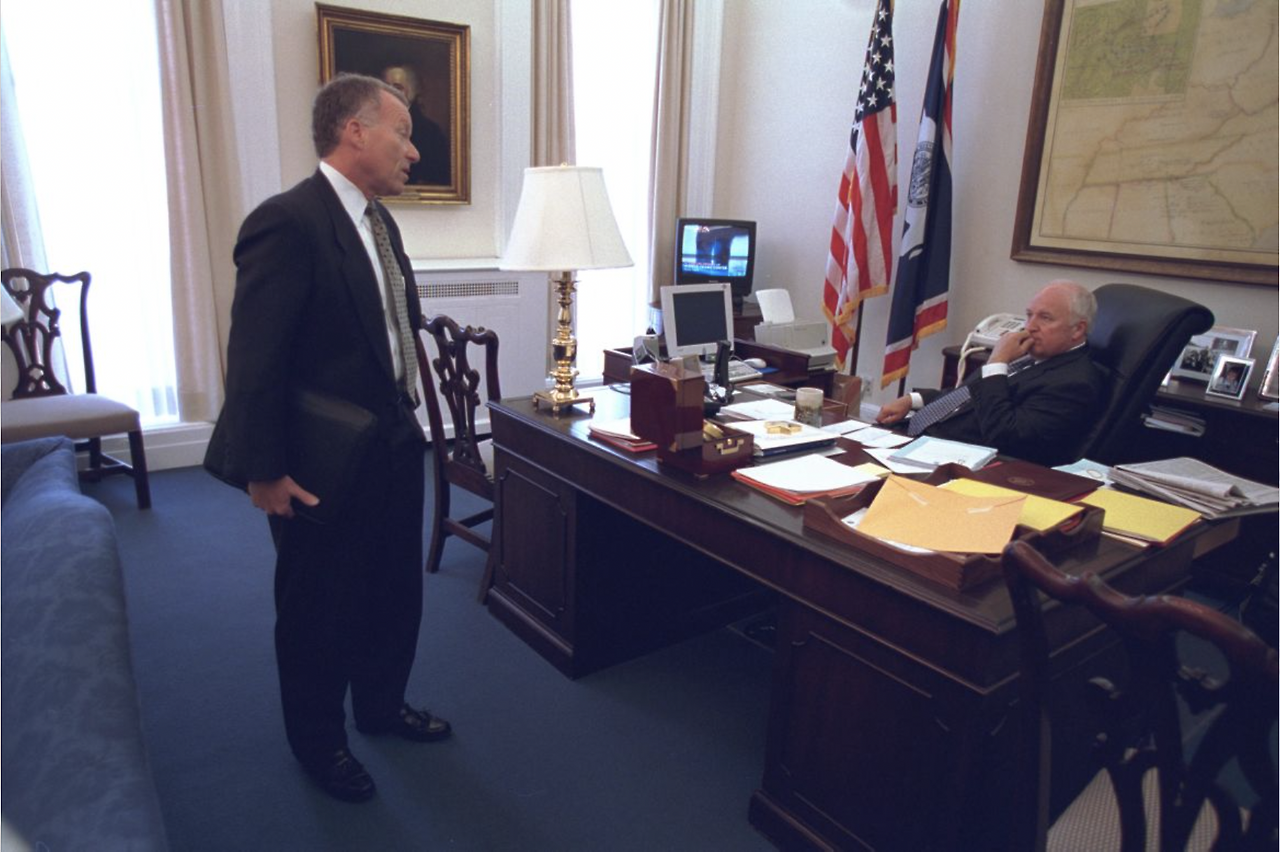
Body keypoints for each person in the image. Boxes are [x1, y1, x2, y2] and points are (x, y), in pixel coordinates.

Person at [217, 74, 449, 804]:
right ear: (355, 131)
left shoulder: (381, 223)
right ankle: (319, 744)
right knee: (318, 609)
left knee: (394, 591)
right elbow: (255, 359)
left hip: (394, 441)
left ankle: (381, 706)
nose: (413, 150)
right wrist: (262, 470)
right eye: (401, 133)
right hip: (322, 459)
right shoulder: (287, 221)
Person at [876, 279, 1107, 466]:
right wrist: (913, 400)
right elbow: (969, 396)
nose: (1030, 327)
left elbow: (1007, 435)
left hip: (956, 464)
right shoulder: (1034, 357)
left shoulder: (1074, 383)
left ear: (1078, 330)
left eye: (1045, 318)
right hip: (915, 440)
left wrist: (997, 363)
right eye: (1029, 315)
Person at [381, 64, 451, 185]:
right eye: (386, 87)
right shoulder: (372, 123)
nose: (390, 93)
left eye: (397, 87)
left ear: (412, 91)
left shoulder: (430, 132)